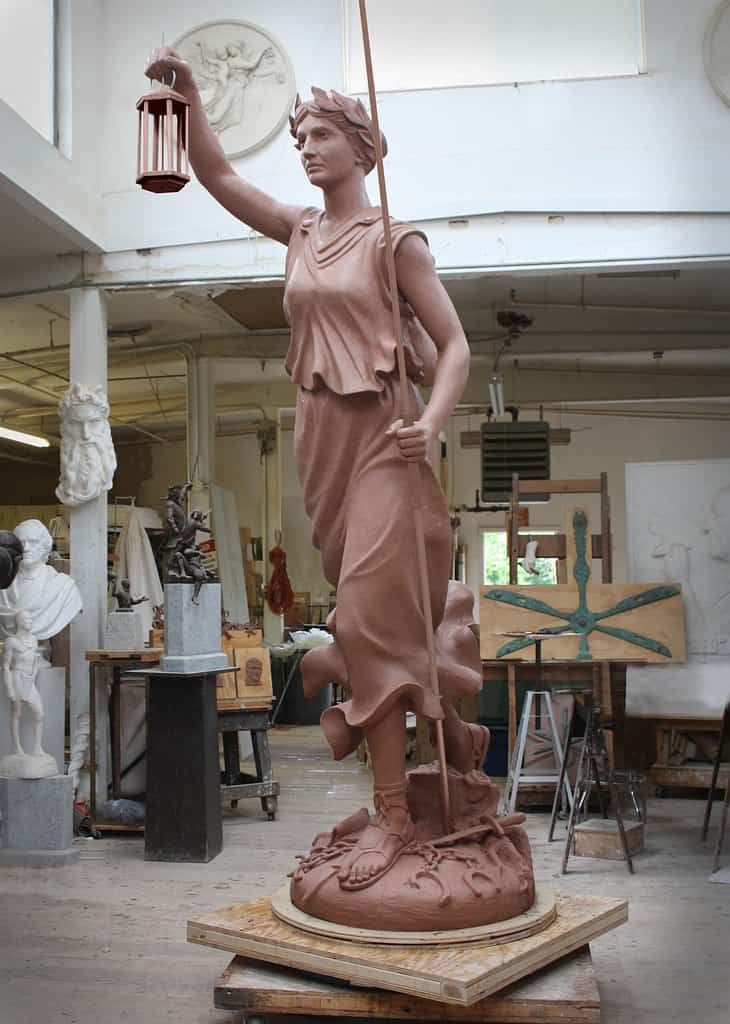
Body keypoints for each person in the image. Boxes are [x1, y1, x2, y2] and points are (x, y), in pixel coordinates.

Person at [144, 49, 485, 890]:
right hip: (321, 439)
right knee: (369, 620)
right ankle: (447, 737)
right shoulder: (300, 230)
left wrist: (432, 424)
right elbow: (219, 177)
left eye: (321, 135)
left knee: (366, 620)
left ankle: (393, 815)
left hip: (389, 441)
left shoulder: (395, 240)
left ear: (362, 148)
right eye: (299, 138)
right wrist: (190, 102)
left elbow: (455, 347)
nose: (306, 149)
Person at [0, 520, 82, 649]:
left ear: (45, 546)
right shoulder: (3, 582)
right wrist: (14, 617)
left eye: (33, 542)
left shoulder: (63, 587)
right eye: (21, 543)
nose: (26, 548)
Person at [2, 609, 56, 775]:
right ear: (19, 621)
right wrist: (9, 688)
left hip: (29, 680)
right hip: (17, 677)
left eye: (31, 619)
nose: (30, 621)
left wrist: (33, 675)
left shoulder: (33, 639)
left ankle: (37, 747)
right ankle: (17, 747)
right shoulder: (11, 641)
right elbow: (6, 666)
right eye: (27, 619)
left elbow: (34, 661)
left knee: (39, 713)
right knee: (17, 713)